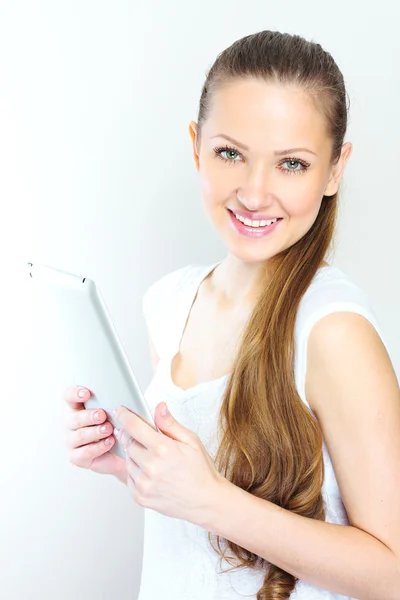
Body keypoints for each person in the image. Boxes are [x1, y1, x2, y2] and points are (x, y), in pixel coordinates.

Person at [63, 30, 400, 600]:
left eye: (292, 163)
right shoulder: (168, 303)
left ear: (335, 169)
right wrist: (135, 467)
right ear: (196, 146)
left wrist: (210, 499)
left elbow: (392, 572)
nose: (254, 193)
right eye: (230, 153)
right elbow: (204, 533)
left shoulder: (334, 332)